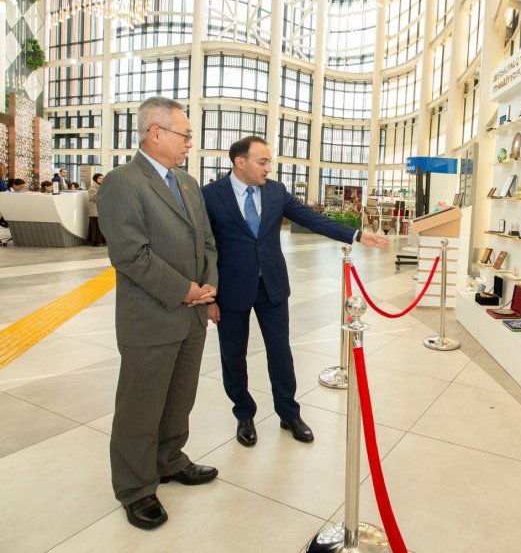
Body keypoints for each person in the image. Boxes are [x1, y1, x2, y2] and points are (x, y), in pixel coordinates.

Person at [202, 136, 389, 447]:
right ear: (240, 162)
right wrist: (209, 297)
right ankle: (244, 414)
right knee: (233, 355)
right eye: (262, 162)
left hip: (272, 286)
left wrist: (357, 235)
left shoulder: (275, 191)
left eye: (269, 162)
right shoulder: (210, 195)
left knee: (281, 352)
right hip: (231, 289)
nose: (268, 168)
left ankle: (289, 413)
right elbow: (203, 247)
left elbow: (312, 219)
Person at [97, 96, 219, 531]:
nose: (190, 143)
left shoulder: (187, 183)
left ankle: (169, 460)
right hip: (151, 316)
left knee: (179, 398)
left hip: (192, 316)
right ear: (155, 133)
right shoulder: (122, 183)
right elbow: (130, 254)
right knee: (140, 406)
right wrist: (184, 290)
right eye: (185, 135)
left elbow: (206, 241)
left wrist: (208, 289)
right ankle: (135, 487)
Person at [87, 173, 104, 245]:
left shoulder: (101, 186)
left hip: (100, 209)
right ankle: (95, 241)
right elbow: (93, 197)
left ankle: (100, 241)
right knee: (95, 225)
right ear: (95, 179)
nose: (101, 179)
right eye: (100, 178)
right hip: (95, 209)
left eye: (102, 178)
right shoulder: (93, 187)